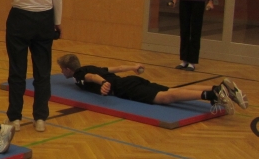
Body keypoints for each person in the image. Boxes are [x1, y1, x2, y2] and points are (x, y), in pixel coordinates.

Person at [2, 0, 63, 133]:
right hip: (45, 18)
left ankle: (15, 118)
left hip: (20, 18)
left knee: (17, 70)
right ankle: (40, 118)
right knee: (42, 72)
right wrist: (57, 21)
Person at [56, 54, 248, 114]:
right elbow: (116, 68)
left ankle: (213, 95)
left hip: (125, 88)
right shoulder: (90, 65)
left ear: (67, 69)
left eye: (62, 69)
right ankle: (218, 88)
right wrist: (133, 67)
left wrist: (103, 83)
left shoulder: (79, 75)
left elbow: (91, 77)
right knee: (174, 90)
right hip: (131, 80)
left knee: (166, 97)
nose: (62, 72)